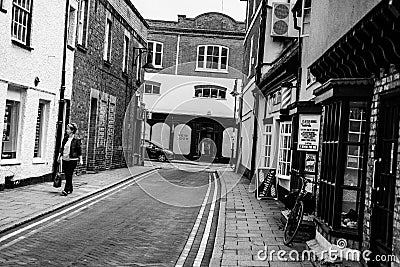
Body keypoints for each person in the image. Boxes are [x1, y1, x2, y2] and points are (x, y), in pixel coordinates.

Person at [58, 123, 83, 196]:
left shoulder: (76, 139)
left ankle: (66, 190)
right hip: (65, 159)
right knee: (67, 175)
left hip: (73, 159)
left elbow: (79, 150)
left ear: (72, 130)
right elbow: (62, 148)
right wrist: (59, 156)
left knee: (69, 174)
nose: (66, 130)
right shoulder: (65, 138)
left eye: (68, 129)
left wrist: (81, 159)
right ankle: (70, 188)